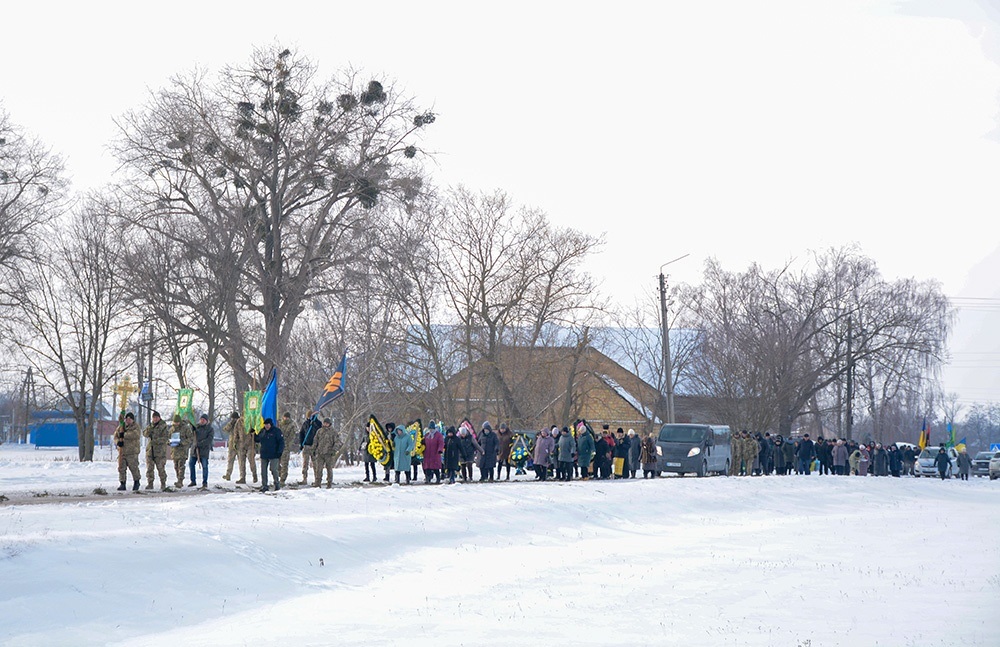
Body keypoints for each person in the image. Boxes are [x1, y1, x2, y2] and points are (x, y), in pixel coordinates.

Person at [143, 411, 171, 490]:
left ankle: (163, 483)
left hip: (159, 452)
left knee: (161, 468)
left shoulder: (163, 426)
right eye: (154, 417)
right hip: (150, 451)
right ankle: (150, 483)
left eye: (156, 417)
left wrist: (156, 440)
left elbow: (165, 438)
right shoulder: (150, 425)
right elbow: (145, 433)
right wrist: (149, 430)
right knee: (149, 469)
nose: (155, 419)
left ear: (159, 418)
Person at [256, 417, 285, 493]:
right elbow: (257, 439)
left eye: (268, 424)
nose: (266, 426)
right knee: (263, 471)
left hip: (274, 454)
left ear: (271, 424)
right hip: (264, 454)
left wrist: (279, 452)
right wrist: (253, 434)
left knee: (274, 470)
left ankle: (277, 484)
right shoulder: (263, 431)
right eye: (265, 425)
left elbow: (281, 442)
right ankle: (264, 486)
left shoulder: (276, 431)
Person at [115, 411, 142, 491]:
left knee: (133, 468)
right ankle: (122, 483)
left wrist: (124, 435)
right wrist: (118, 442)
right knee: (121, 468)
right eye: (127, 419)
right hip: (122, 451)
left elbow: (135, 435)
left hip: (132, 452)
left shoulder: (135, 427)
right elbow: (116, 435)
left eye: (130, 419)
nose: (128, 421)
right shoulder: (121, 427)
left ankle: (136, 482)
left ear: (133, 420)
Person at [312, 418, 339, 488]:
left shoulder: (333, 432)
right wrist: (313, 449)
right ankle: (318, 483)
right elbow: (315, 441)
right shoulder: (319, 431)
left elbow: (337, 442)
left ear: (329, 424)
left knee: (329, 468)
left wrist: (334, 450)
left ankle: (329, 483)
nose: (325, 424)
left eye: (327, 423)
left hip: (329, 453)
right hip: (320, 452)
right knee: (318, 469)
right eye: (324, 423)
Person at [188, 414, 213, 489]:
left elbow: (209, 439)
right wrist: (192, 428)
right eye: (201, 419)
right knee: (191, 464)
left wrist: (200, 444)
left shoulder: (209, 429)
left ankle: (204, 482)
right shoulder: (196, 427)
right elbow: (191, 435)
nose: (202, 421)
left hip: (204, 451)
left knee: (204, 466)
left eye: (204, 420)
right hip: (194, 450)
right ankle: (193, 481)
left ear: (207, 421)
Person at [170, 414, 194, 489]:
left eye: (177, 422)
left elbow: (190, 438)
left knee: (181, 466)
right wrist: (169, 442)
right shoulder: (171, 429)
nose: (176, 424)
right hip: (174, 450)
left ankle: (180, 481)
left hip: (183, 450)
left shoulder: (185, 428)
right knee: (176, 466)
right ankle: (178, 479)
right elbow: (167, 438)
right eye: (175, 422)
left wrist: (182, 442)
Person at [298, 413, 321, 484]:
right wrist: (301, 444)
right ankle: (304, 478)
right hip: (306, 446)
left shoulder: (318, 423)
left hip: (314, 446)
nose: (309, 417)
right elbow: (301, 434)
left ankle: (317, 479)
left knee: (315, 464)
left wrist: (314, 425)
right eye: (308, 416)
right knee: (305, 463)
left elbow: (320, 433)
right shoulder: (305, 423)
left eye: (311, 416)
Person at [278, 411, 297, 487]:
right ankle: (280, 474)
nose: (285, 419)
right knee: (275, 464)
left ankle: (282, 480)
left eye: (287, 417)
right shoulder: (279, 424)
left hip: (285, 447)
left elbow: (292, 437)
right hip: (278, 447)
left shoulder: (291, 425)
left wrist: (287, 446)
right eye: (284, 417)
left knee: (284, 464)